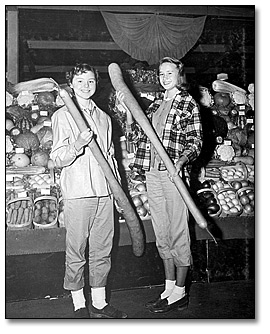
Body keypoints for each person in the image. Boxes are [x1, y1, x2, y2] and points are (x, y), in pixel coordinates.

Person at [116, 56, 203, 314]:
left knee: (178, 231)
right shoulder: (154, 106)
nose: (165, 78)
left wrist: (182, 160)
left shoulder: (187, 103)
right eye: (161, 74)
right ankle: (168, 288)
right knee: (162, 231)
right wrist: (129, 115)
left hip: (173, 175)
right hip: (153, 174)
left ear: (179, 75)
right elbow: (136, 138)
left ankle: (180, 291)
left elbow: (196, 141)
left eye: (170, 73)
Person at [50, 63, 128, 319]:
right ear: (71, 84)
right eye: (80, 81)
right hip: (78, 193)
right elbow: (58, 157)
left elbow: (112, 158)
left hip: (104, 194)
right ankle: (78, 303)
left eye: (91, 81)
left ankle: (99, 302)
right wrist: (77, 145)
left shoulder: (104, 118)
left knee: (102, 250)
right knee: (76, 250)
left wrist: (117, 194)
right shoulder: (63, 116)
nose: (86, 86)